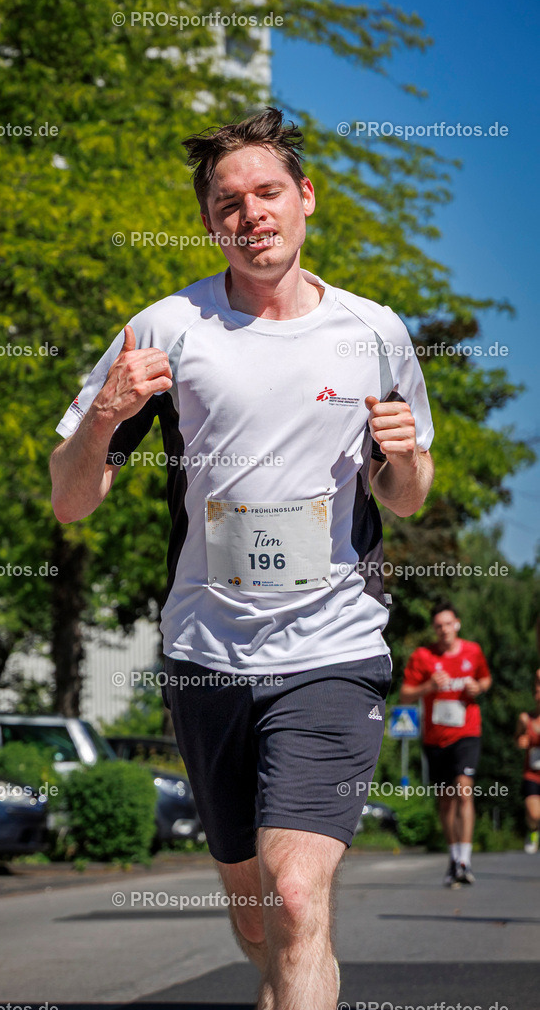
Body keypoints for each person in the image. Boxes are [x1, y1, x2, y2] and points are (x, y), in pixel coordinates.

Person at [50, 107, 434, 1010]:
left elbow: (405, 493)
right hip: (207, 658)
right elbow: (71, 499)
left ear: (305, 200)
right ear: (208, 222)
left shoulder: (372, 331)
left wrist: (406, 454)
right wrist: (105, 415)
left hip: (332, 650)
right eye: (229, 202)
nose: (251, 213)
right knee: (259, 915)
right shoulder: (166, 329)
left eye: (268, 192)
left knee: (297, 896)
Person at [401, 603, 492, 887]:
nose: (444, 630)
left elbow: (485, 678)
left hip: (467, 732)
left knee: (464, 789)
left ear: (457, 624)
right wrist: (428, 687)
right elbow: (404, 695)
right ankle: (454, 857)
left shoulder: (473, 651)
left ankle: (465, 859)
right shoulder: (423, 656)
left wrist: (480, 687)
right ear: (434, 629)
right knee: (446, 800)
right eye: (438, 626)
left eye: (448, 624)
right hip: (435, 737)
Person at [515, 674, 540, 854]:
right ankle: (533, 830)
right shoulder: (526, 719)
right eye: (536, 690)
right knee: (534, 814)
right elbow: (517, 740)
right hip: (532, 774)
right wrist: (520, 740)